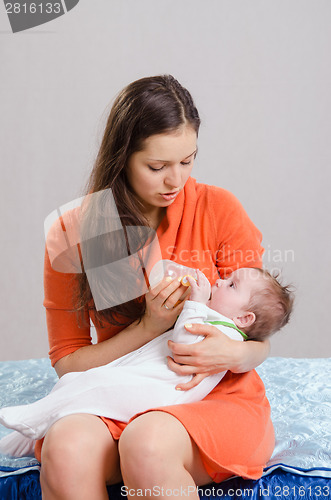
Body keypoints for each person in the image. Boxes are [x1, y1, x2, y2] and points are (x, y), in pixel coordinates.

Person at [35, 75, 277, 499]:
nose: (175, 181)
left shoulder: (218, 209)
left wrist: (237, 351)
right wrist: (148, 327)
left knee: (147, 443)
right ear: (122, 157)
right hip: (118, 394)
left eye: (187, 161)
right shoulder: (71, 232)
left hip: (212, 398)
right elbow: (68, 363)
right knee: (65, 448)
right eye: (157, 166)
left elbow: (255, 333)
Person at [0, 267, 293, 454]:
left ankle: (32, 421)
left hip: (159, 391)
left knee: (93, 387)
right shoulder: (220, 320)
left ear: (243, 318)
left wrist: (195, 303)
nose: (219, 279)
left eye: (230, 285)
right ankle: (30, 430)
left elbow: (185, 343)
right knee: (77, 382)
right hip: (143, 375)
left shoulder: (223, 329)